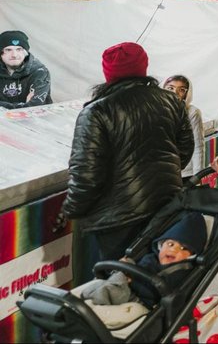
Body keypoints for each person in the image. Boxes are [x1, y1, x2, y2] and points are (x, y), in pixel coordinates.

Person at [62, 42, 193, 283]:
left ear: (107, 73)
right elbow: (184, 151)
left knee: (112, 288)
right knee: (151, 282)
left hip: (116, 218)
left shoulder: (96, 111)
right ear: (144, 67)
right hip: (165, 207)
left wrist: (69, 211)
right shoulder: (171, 102)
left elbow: (86, 176)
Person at [80, 212, 208, 307]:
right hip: (125, 290)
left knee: (104, 296)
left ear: (191, 256)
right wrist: (123, 268)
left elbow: (156, 295)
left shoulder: (181, 273)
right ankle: (87, 301)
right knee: (101, 283)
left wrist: (130, 278)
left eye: (183, 248)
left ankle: (92, 303)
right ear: (160, 245)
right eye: (170, 244)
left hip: (140, 304)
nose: (174, 250)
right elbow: (134, 270)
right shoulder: (150, 258)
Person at [163, 75, 205, 178]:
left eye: (181, 90)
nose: (174, 92)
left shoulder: (192, 113)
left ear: (187, 94)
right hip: (162, 172)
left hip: (185, 173)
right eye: (170, 88)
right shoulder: (156, 110)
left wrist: (197, 176)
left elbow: (198, 146)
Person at [0, 30, 52, 108]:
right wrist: (24, 105)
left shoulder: (39, 72)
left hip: (34, 119)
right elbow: (28, 106)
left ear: (25, 52)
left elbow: (34, 107)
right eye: (8, 50)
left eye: (19, 49)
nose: (14, 55)